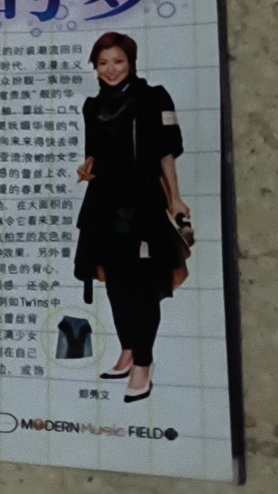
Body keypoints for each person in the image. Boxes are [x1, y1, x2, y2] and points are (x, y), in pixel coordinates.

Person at [74, 32, 188, 403]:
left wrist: (176, 199)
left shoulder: (154, 98)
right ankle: (128, 348)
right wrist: (88, 167)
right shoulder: (92, 106)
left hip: (142, 203)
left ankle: (143, 361)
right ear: (95, 66)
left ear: (131, 62)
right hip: (104, 205)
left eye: (118, 61)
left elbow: (166, 154)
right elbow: (94, 153)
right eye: (103, 62)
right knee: (116, 283)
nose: (111, 69)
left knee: (142, 285)